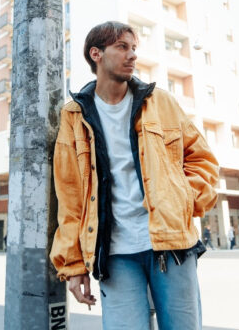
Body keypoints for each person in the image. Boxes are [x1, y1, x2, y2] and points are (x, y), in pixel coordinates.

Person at [50, 21, 220, 330]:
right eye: (123, 47)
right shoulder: (73, 116)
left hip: (172, 247)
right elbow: (70, 196)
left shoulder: (161, 103)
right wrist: (73, 265)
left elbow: (203, 160)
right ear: (96, 54)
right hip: (114, 253)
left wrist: (183, 199)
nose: (132, 56)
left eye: (134, 48)